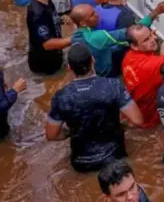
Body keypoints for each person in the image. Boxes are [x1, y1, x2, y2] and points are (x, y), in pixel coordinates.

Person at [46, 44, 143, 173]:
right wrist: (119, 125)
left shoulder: (62, 97)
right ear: (93, 60)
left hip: (82, 163)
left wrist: (72, 132)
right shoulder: (113, 86)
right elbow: (137, 120)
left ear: (69, 68)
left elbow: (51, 135)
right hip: (115, 158)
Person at [70, 0, 164, 78]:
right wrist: (155, 13)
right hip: (105, 75)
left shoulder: (76, 36)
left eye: (94, 11)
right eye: (92, 15)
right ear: (82, 23)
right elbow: (131, 33)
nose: (97, 14)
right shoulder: (98, 37)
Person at [27, 0, 72, 75]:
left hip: (55, 55)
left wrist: (60, 19)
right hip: (45, 64)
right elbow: (48, 44)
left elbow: (49, 19)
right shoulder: (37, 13)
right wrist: (74, 38)